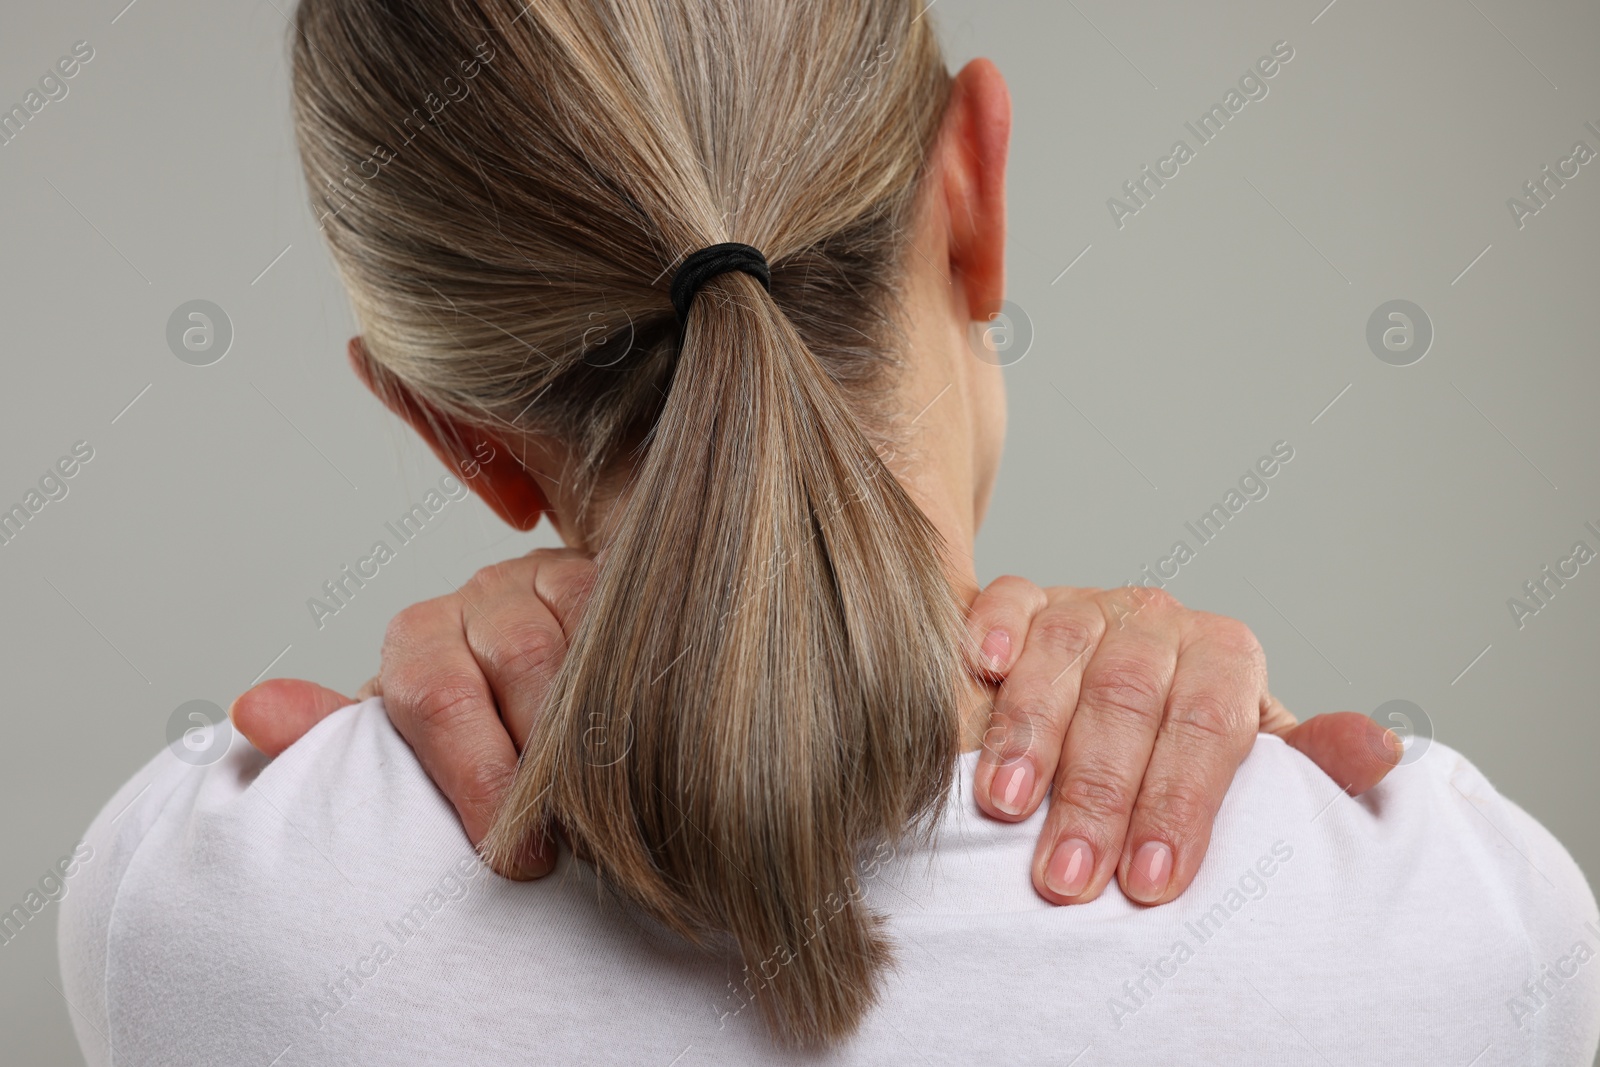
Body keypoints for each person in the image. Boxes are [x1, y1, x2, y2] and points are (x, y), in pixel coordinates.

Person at [59, 0, 1599, 1063]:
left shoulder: (200, 907)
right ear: (976, 185)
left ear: (452, 427)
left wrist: (344, 783)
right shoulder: (1457, 930)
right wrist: (1280, 780)